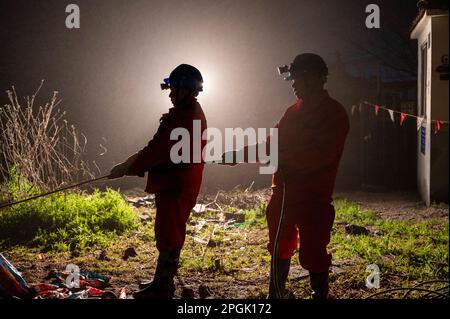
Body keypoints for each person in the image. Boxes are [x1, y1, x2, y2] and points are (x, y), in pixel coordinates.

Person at [222, 53, 349, 299]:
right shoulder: (292, 112)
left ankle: (319, 295)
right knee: (279, 245)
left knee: (313, 250)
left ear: (312, 78)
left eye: (296, 78)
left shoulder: (334, 114)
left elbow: (319, 155)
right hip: (283, 194)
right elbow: (272, 145)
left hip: (314, 196)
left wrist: (282, 155)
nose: (292, 84)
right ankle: (275, 295)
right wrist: (237, 154)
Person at [109, 64, 207, 299]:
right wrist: (127, 164)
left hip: (177, 185)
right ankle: (161, 280)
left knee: (169, 232)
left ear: (186, 89)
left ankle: (163, 286)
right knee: (167, 230)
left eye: (174, 89)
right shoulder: (183, 113)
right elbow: (154, 146)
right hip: (175, 183)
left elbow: (157, 151)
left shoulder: (186, 117)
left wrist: (128, 168)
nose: (170, 94)